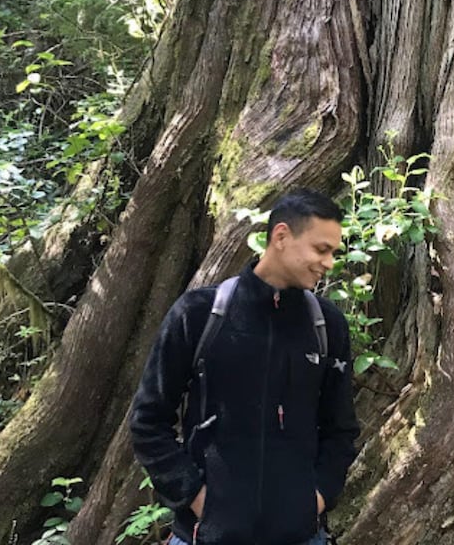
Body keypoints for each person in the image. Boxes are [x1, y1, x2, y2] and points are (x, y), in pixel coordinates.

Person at [130, 189, 360, 545]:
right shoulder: (199, 314)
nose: (329, 263)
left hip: (299, 536)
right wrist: (196, 497)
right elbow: (148, 419)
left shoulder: (327, 325)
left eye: (333, 252)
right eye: (321, 249)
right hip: (205, 535)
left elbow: (341, 429)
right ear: (281, 236)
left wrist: (315, 500)